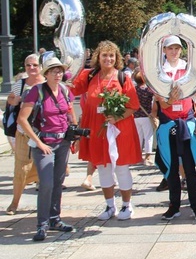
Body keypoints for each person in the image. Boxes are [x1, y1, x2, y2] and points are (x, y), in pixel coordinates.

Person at [70, 40, 141, 221]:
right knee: (103, 167)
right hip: (96, 128)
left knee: (121, 167)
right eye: (104, 55)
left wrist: (117, 117)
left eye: (111, 55)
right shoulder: (90, 76)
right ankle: (110, 206)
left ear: (116, 58)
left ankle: (127, 205)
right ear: (98, 57)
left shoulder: (122, 78)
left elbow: (133, 105)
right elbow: (70, 88)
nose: (108, 59)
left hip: (120, 129)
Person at [16, 58, 77, 240]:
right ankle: (42, 224)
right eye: (53, 71)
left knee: (58, 182)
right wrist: (39, 142)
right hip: (44, 143)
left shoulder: (65, 90)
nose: (58, 74)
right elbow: (22, 119)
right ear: (46, 74)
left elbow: (70, 112)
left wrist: (74, 132)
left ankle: (55, 219)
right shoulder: (37, 91)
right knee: (46, 183)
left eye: (60, 71)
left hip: (62, 143)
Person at [153, 35, 196, 220]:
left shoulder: (188, 69)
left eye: (177, 48)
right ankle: (174, 206)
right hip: (169, 124)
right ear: (164, 51)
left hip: (187, 123)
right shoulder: (159, 72)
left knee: (191, 168)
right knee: (172, 168)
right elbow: (163, 104)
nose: (174, 52)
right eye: (170, 48)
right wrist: (170, 100)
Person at [5, 54, 43, 215]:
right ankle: (14, 203)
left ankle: (45, 205)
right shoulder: (19, 84)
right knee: (20, 169)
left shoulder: (46, 83)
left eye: (34, 65)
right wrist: (16, 100)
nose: (31, 68)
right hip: (23, 133)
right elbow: (10, 101)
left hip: (43, 133)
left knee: (45, 170)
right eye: (28, 65)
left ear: (41, 66)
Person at [133, 71, 156, 165]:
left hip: (136, 116)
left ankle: (138, 156)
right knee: (148, 136)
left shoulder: (134, 89)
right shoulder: (149, 90)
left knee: (139, 136)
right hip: (146, 115)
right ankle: (148, 156)